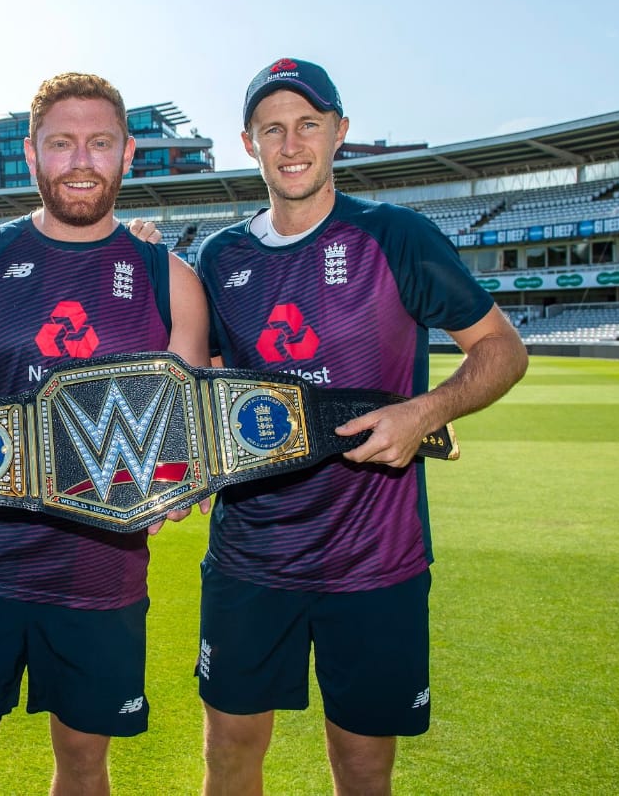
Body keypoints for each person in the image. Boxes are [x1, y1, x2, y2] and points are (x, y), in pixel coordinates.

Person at [193, 58, 529, 795]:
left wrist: (427, 409)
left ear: (338, 133)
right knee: (229, 756)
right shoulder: (218, 257)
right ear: (248, 143)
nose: (291, 143)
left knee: (365, 767)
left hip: (376, 557)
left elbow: (504, 349)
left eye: (308, 124)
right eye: (272, 128)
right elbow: (202, 387)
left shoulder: (398, 236)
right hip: (251, 556)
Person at [0, 72, 210, 795]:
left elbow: (189, 422)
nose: (81, 160)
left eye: (99, 143)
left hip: (103, 571)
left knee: (86, 761)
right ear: (32, 154)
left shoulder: (169, 276)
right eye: (61, 143)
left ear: (128, 154)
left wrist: (185, 483)